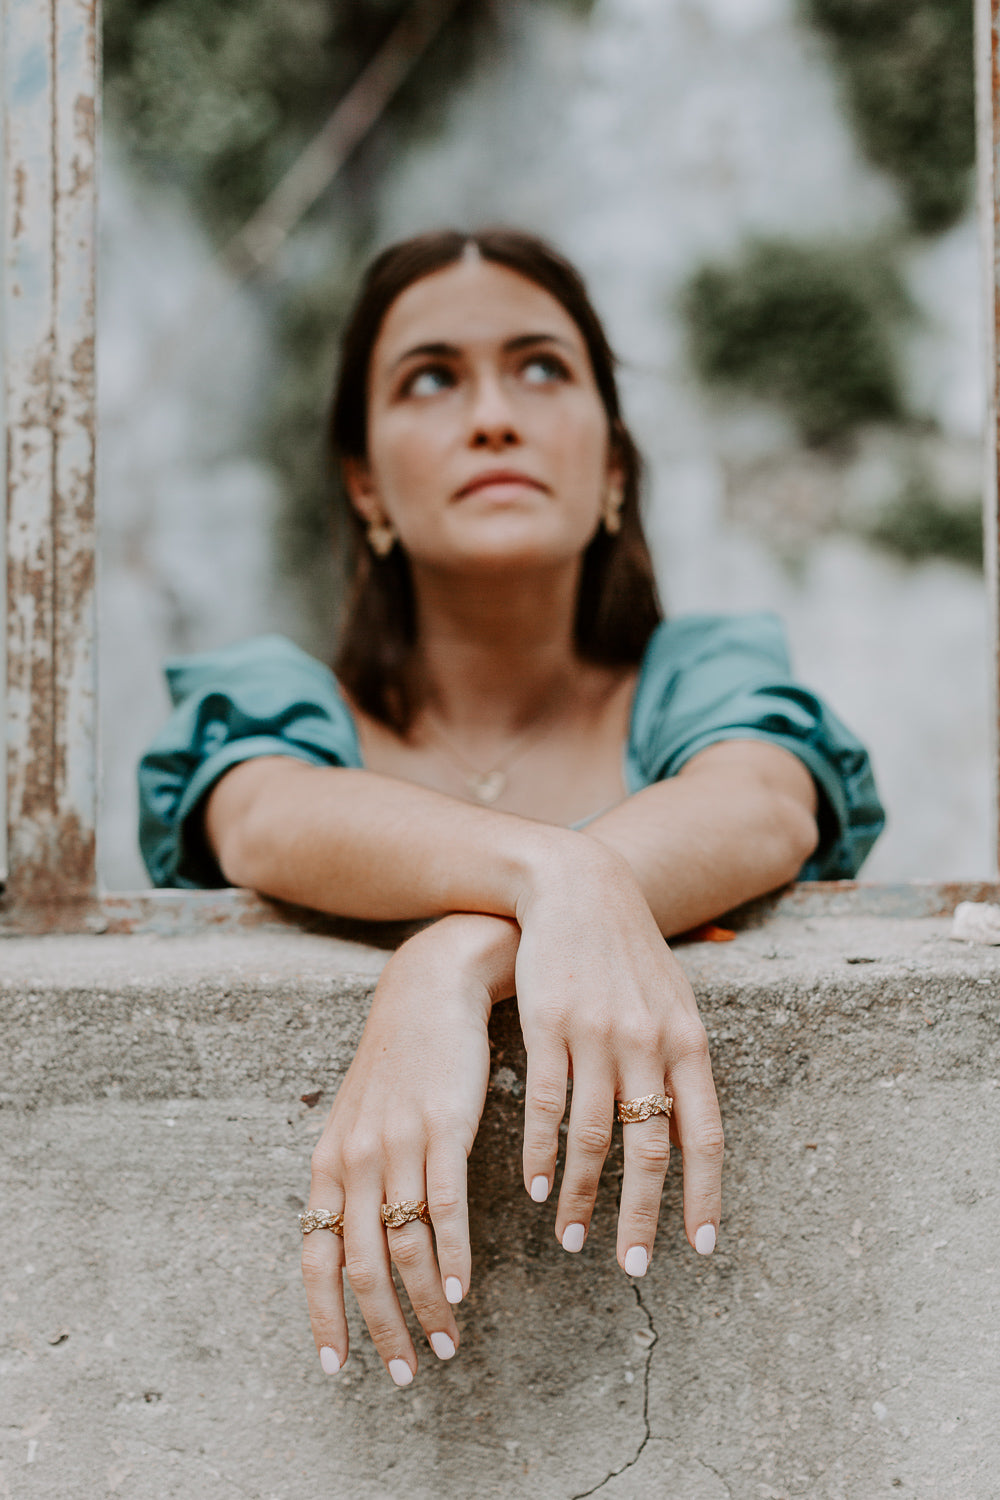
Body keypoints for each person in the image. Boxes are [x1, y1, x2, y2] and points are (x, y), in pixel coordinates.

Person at [138, 228, 884, 1389]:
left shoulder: (698, 677)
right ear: (364, 484)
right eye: (429, 378)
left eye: (541, 366)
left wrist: (450, 959)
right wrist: (558, 879)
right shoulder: (285, 704)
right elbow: (262, 822)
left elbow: (766, 805)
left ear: (615, 470)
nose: (493, 415)